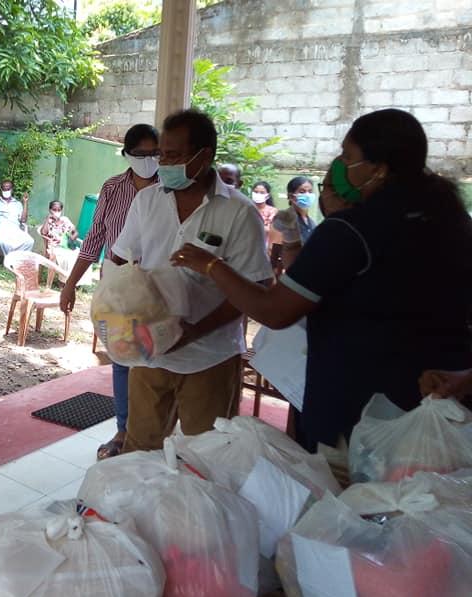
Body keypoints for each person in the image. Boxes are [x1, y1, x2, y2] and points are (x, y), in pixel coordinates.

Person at [170, 109, 472, 452]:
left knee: (352, 499)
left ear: (380, 169)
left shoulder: (352, 230)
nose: (341, 165)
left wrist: (210, 265)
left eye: (348, 156)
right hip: (444, 402)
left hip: (360, 414)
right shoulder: (452, 220)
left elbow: (275, 310)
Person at [111, 109, 272, 453]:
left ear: (205, 156)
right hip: (151, 353)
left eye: (173, 155)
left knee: (208, 459)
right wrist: (116, 307)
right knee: (139, 451)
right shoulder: (147, 200)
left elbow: (254, 290)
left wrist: (193, 333)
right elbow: (121, 259)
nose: (163, 162)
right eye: (161, 154)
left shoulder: (239, 213)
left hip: (210, 356)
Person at [60, 123, 161, 460]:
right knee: (121, 360)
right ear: (127, 155)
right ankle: (123, 429)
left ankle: (150, 435)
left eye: (154, 153)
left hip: (157, 291)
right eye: (141, 154)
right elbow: (94, 239)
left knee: (153, 361)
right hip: (117, 289)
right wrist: (70, 283)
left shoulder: (170, 189)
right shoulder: (113, 188)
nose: (149, 160)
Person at [272, 176, 317, 270]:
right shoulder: (284, 218)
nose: (307, 195)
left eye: (310, 191)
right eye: (302, 192)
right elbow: (276, 248)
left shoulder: (311, 223)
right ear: (291, 196)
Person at [0, 180, 33, 257]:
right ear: (1, 189)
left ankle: (19, 259)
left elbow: (23, 220)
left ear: (12, 189)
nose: (6, 190)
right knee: (1, 242)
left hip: (15, 229)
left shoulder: (17, 204)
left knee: (29, 241)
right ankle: (9, 259)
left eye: (8, 189)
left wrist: (25, 203)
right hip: (1, 229)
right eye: (4, 189)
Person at [250, 180, 281, 258]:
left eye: (262, 192)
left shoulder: (273, 212)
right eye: (256, 192)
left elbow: (274, 235)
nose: (258, 194)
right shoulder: (246, 208)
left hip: (265, 250)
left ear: (267, 195)